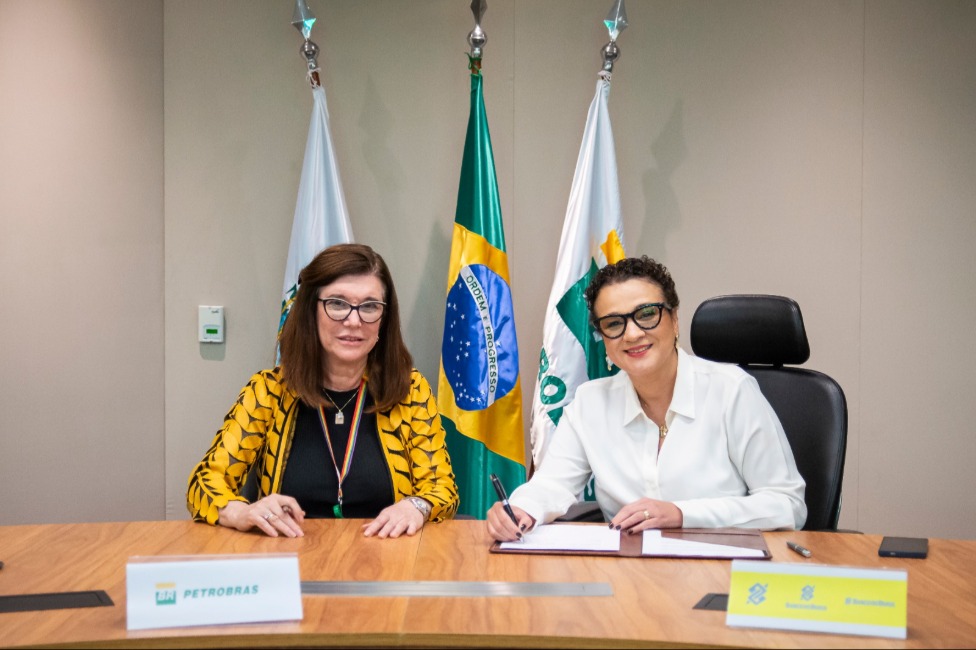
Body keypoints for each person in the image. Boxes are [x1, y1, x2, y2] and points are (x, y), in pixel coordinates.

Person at [488, 256, 806, 541]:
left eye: (647, 314)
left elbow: (786, 505)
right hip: (628, 579)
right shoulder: (590, 403)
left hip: (722, 571)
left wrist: (682, 514)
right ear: (604, 340)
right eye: (614, 323)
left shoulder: (732, 391)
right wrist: (520, 509)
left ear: (675, 319)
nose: (632, 334)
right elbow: (553, 484)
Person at [188, 243, 458, 539]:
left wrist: (417, 506)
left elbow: (441, 488)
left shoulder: (409, 390)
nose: (354, 320)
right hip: (291, 564)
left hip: (387, 563)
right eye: (338, 304)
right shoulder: (269, 391)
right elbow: (204, 483)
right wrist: (241, 512)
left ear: (384, 318)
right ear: (310, 312)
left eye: (369, 306)